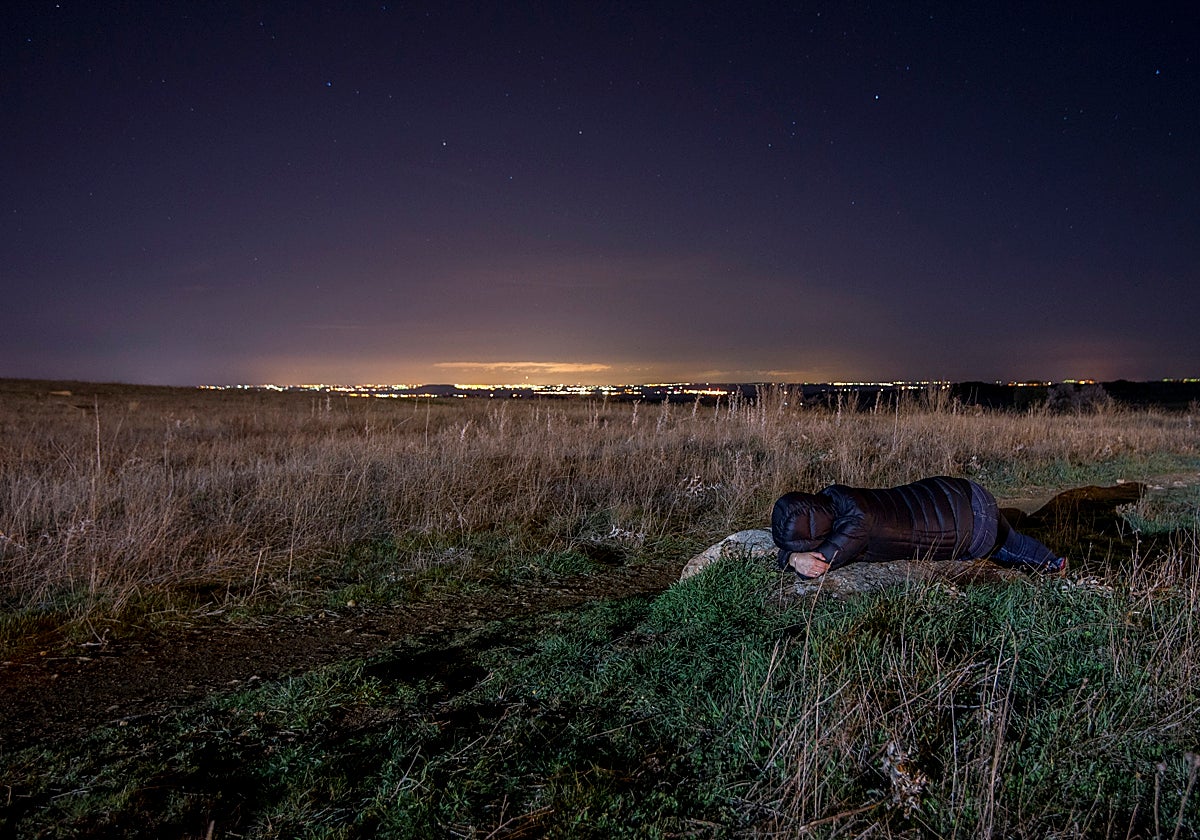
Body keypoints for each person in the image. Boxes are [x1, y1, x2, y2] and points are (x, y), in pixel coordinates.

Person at [771, 476, 1067, 579]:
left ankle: (1054, 567)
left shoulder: (855, 528)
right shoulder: (834, 495)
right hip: (959, 491)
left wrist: (792, 558)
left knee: (1006, 548)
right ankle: (1053, 561)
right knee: (1010, 539)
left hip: (970, 525)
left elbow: (817, 565)